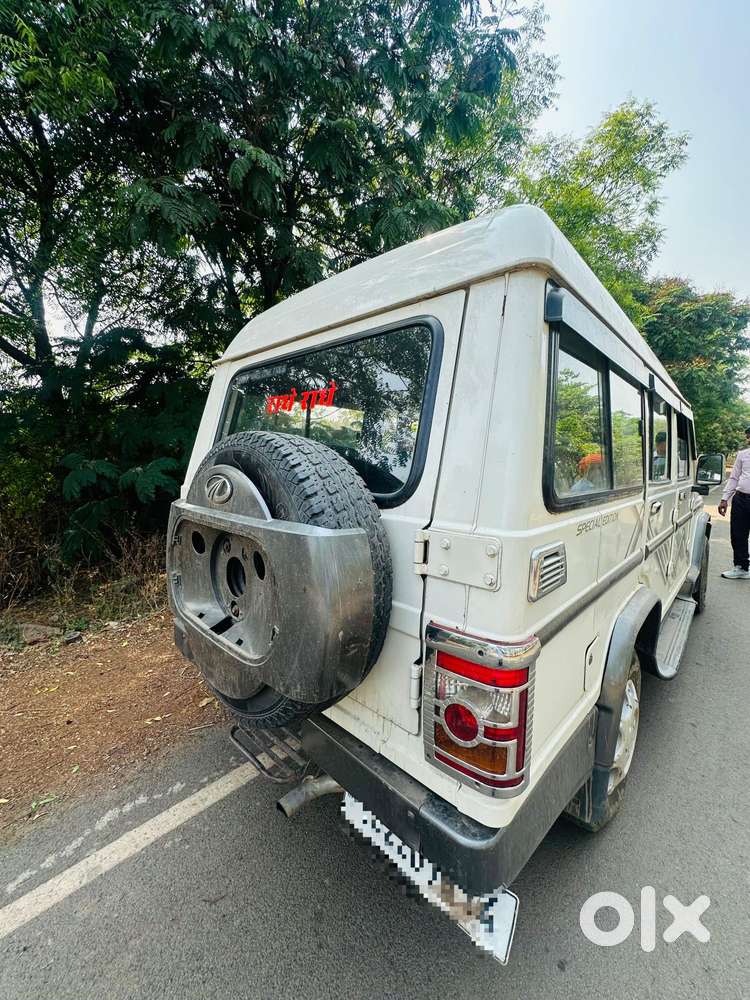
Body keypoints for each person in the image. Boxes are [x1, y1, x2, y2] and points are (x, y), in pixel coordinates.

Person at [718, 426, 750, 580]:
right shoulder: (743, 455)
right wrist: (725, 498)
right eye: (749, 436)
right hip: (741, 500)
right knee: (738, 534)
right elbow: (734, 477)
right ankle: (742, 567)